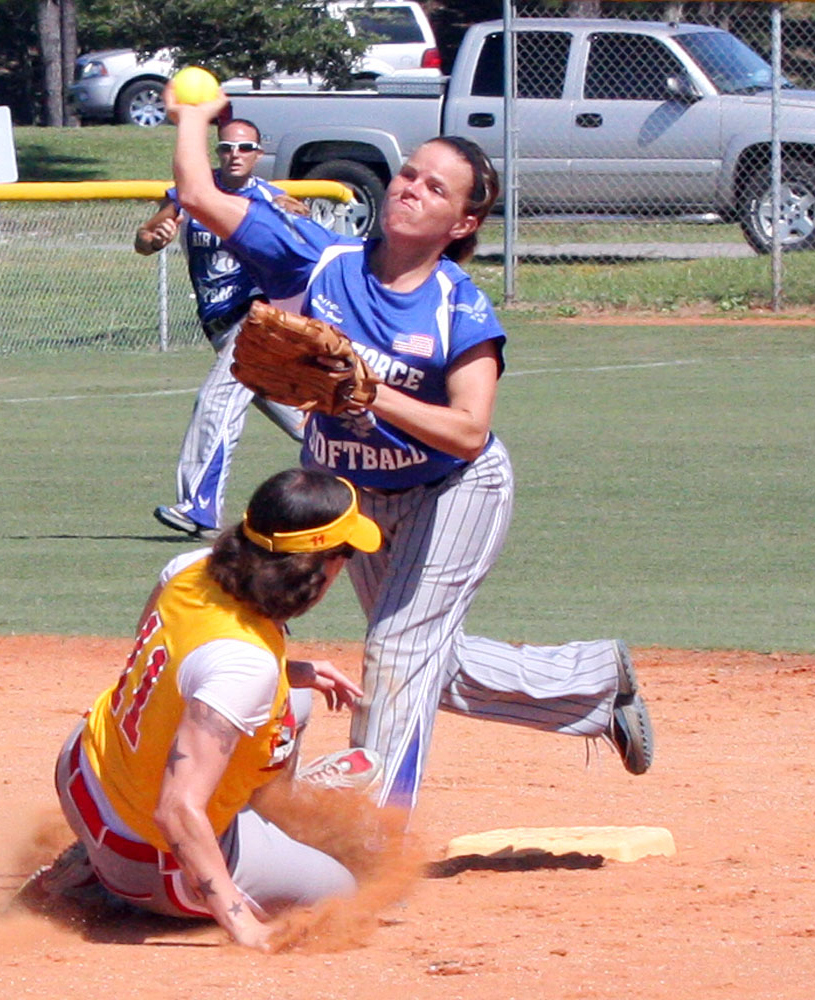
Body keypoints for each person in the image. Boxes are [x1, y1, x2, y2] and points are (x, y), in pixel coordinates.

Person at [163, 85, 653, 813]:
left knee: (396, 653)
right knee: (421, 661)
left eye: (435, 187)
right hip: (355, 493)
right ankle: (590, 681)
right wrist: (196, 118)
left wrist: (370, 392)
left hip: (454, 490)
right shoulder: (319, 262)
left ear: (463, 221)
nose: (412, 191)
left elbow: (468, 430)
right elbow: (199, 195)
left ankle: (371, 838)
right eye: (408, 175)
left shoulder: (460, 307)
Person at [46, 467, 383, 950]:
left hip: (84, 771)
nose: (345, 566)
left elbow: (170, 665)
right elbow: (176, 808)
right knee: (339, 892)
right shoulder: (244, 666)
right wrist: (242, 924)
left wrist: (291, 672)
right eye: (343, 554)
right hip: (146, 856)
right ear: (316, 566)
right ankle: (103, 885)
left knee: (295, 696)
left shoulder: (191, 567)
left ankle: (260, 828)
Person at [135, 118, 308, 539]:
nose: (235, 155)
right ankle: (383, 475)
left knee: (217, 402)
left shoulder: (272, 200)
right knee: (312, 421)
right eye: (227, 147)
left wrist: (295, 219)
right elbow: (144, 238)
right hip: (219, 325)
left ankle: (199, 507)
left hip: (258, 320)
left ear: (258, 154)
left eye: (245, 147)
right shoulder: (193, 194)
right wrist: (152, 236)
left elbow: (306, 254)